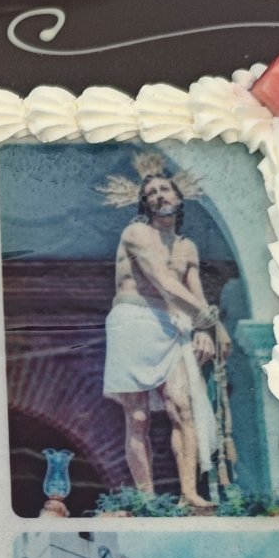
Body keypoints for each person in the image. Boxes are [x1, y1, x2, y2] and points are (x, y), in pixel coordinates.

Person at [101, 157, 225, 509]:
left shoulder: (187, 247)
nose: (158, 195)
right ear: (145, 203)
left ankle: (189, 493)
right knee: (138, 416)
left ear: (179, 196)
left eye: (164, 189)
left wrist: (205, 332)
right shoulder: (137, 234)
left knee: (182, 406)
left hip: (170, 325)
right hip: (132, 321)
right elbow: (164, 282)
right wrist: (210, 323)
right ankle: (148, 501)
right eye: (151, 192)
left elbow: (194, 292)